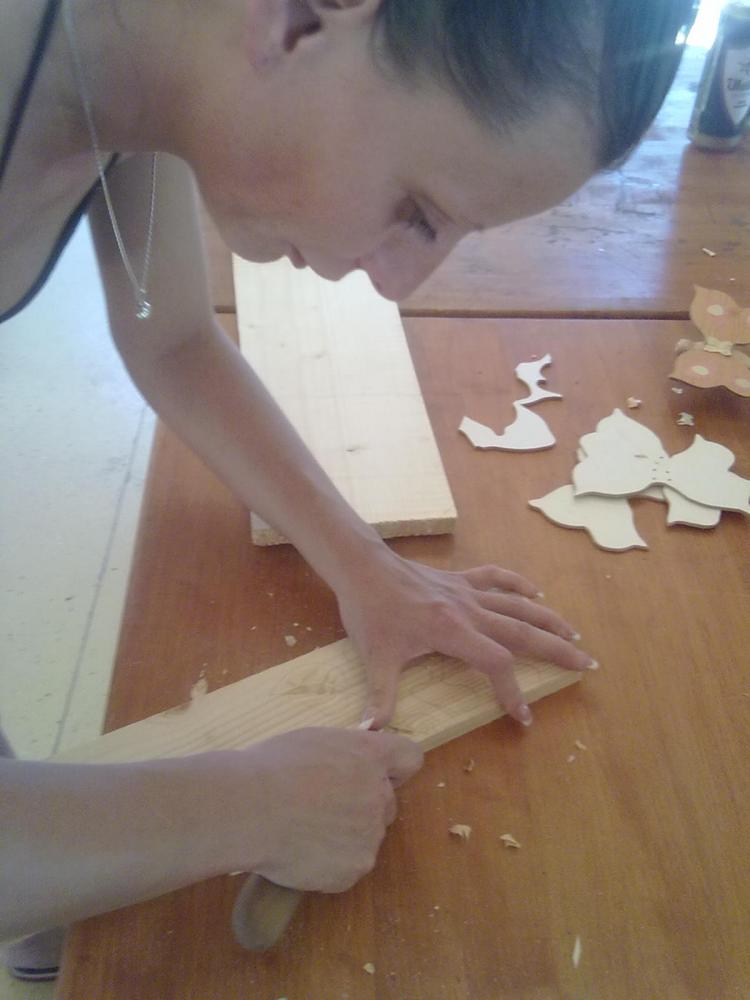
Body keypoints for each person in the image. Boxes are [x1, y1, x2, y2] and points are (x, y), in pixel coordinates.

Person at [0, 0, 694, 981]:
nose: (399, 282)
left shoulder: (138, 54)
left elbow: (174, 338)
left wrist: (364, 566)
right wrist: (244, 808)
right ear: (300, 19)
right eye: (419, 210)